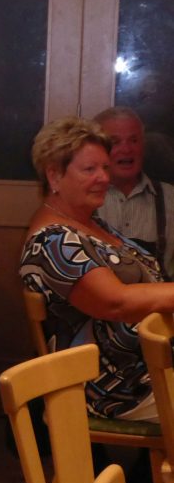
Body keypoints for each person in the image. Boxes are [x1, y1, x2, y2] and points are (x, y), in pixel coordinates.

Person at [20, 116, 174, 423]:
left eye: (105, 167)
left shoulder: (89, 222)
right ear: (54, 175)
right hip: (119, 385)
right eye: (90, 169)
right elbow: (116, 302)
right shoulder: (53, 241)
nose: (104, 177)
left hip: (152, 362)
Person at [93, 106, 174, 278]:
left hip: (159, 294)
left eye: (134, 140)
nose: (126, 149)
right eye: (115, 142)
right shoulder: (81, 198)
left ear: (143, 146)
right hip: (98, 295)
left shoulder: (170, 198)